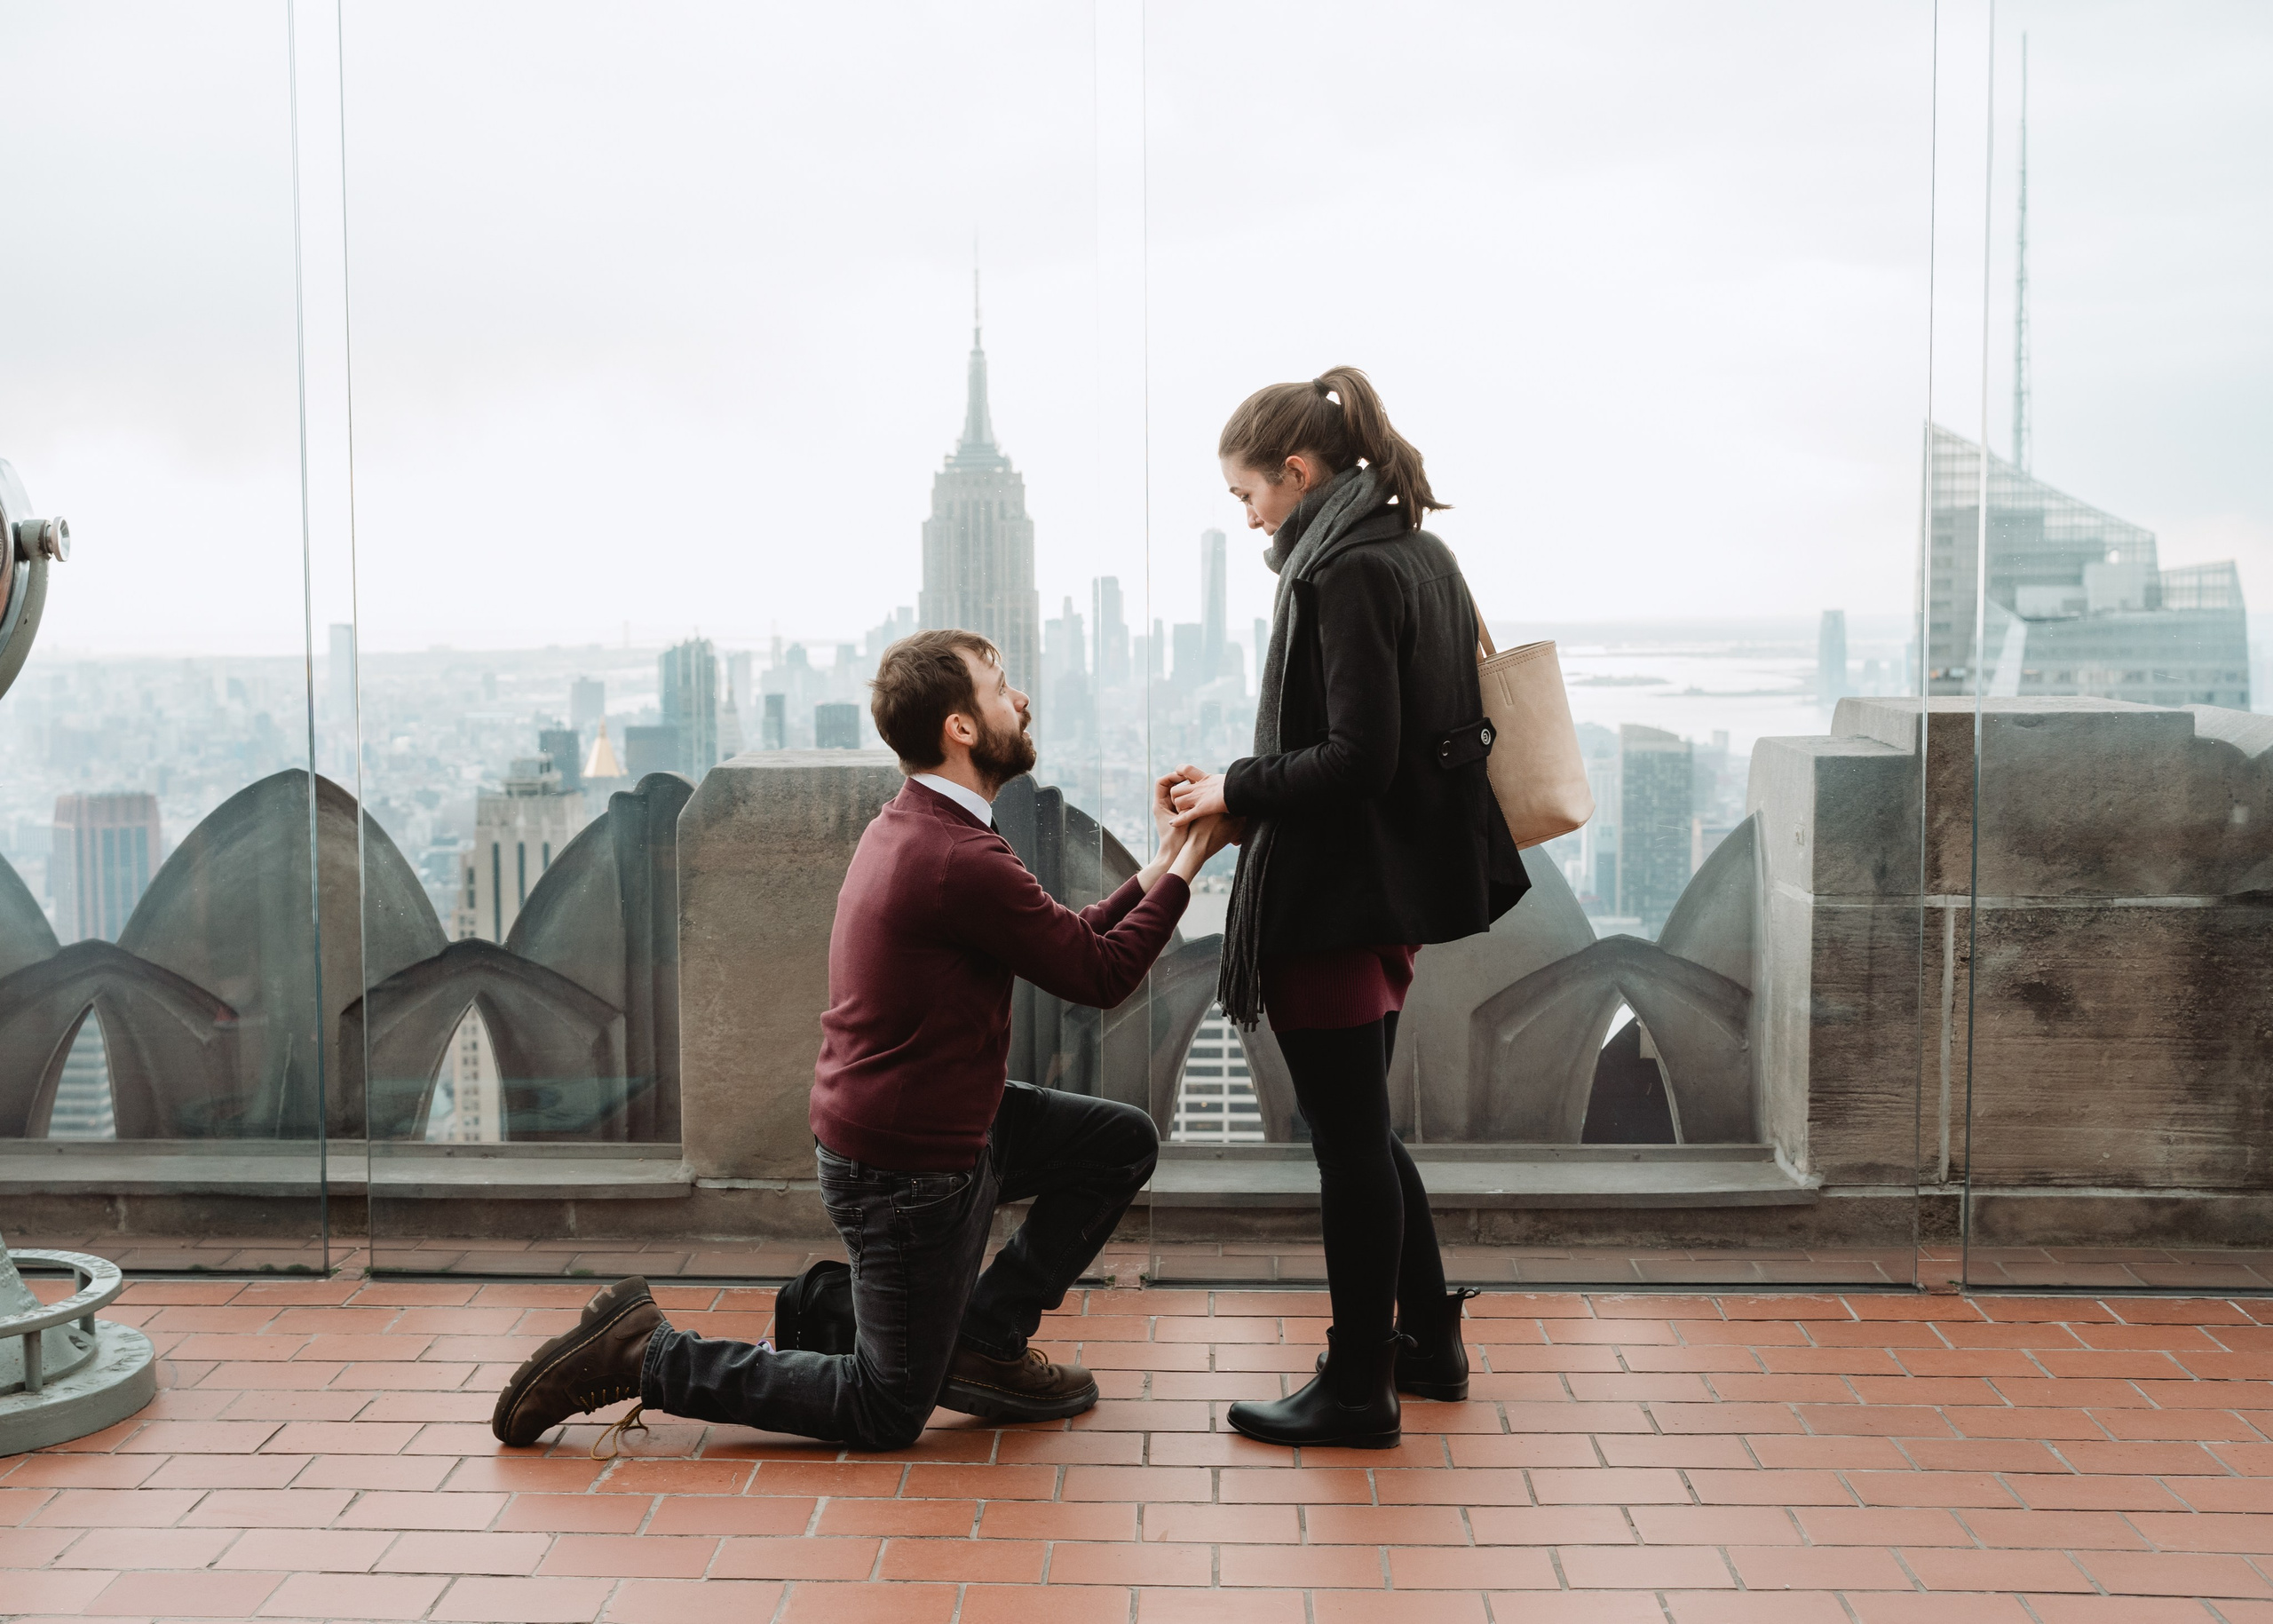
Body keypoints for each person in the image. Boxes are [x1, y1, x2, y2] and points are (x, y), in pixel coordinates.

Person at [492, 630, 1232, 1453]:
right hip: (908, 1171)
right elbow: (1100, 976)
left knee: (1118, 1143)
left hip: (948, 1127)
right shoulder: (957, 855)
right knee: (886, 1408)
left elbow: (1067, 941)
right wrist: (1194, 858)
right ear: (959, 726)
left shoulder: (926, 826)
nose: (1020, 700)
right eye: (1000, 687)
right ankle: (646, 1353)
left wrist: (1165, 857)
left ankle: (972, 1337)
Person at [1167, 366, 1527, 1449]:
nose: (1247, 518)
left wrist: (1236, 785)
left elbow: (1357, 758)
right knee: (1363, 1127)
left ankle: (1360, 1384)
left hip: (1333, 895)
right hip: (1395, 890)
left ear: (1298, 469)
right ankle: (1426, 1342)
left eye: (1248, 494)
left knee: (1348, 1143)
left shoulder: (1343, 573)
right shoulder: (1422, 553)